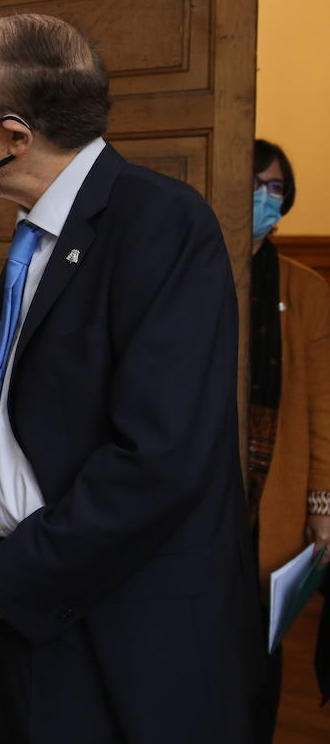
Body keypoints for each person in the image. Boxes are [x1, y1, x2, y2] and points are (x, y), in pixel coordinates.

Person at [0, 13, 261, 742]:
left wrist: (12, 580)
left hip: (119, 618)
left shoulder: (160, 222)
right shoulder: (37, 232)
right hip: (29, 595)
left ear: (14, 135)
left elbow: (160, 456)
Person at [247, 139, 330, 741]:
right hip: (195, 496)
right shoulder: (193, 271)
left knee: (258, 650)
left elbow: (325, 407)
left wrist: (321, 504)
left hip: (269, 494)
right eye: (255, 185)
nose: (264, 198)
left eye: (275, 188)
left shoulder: (305, 289)